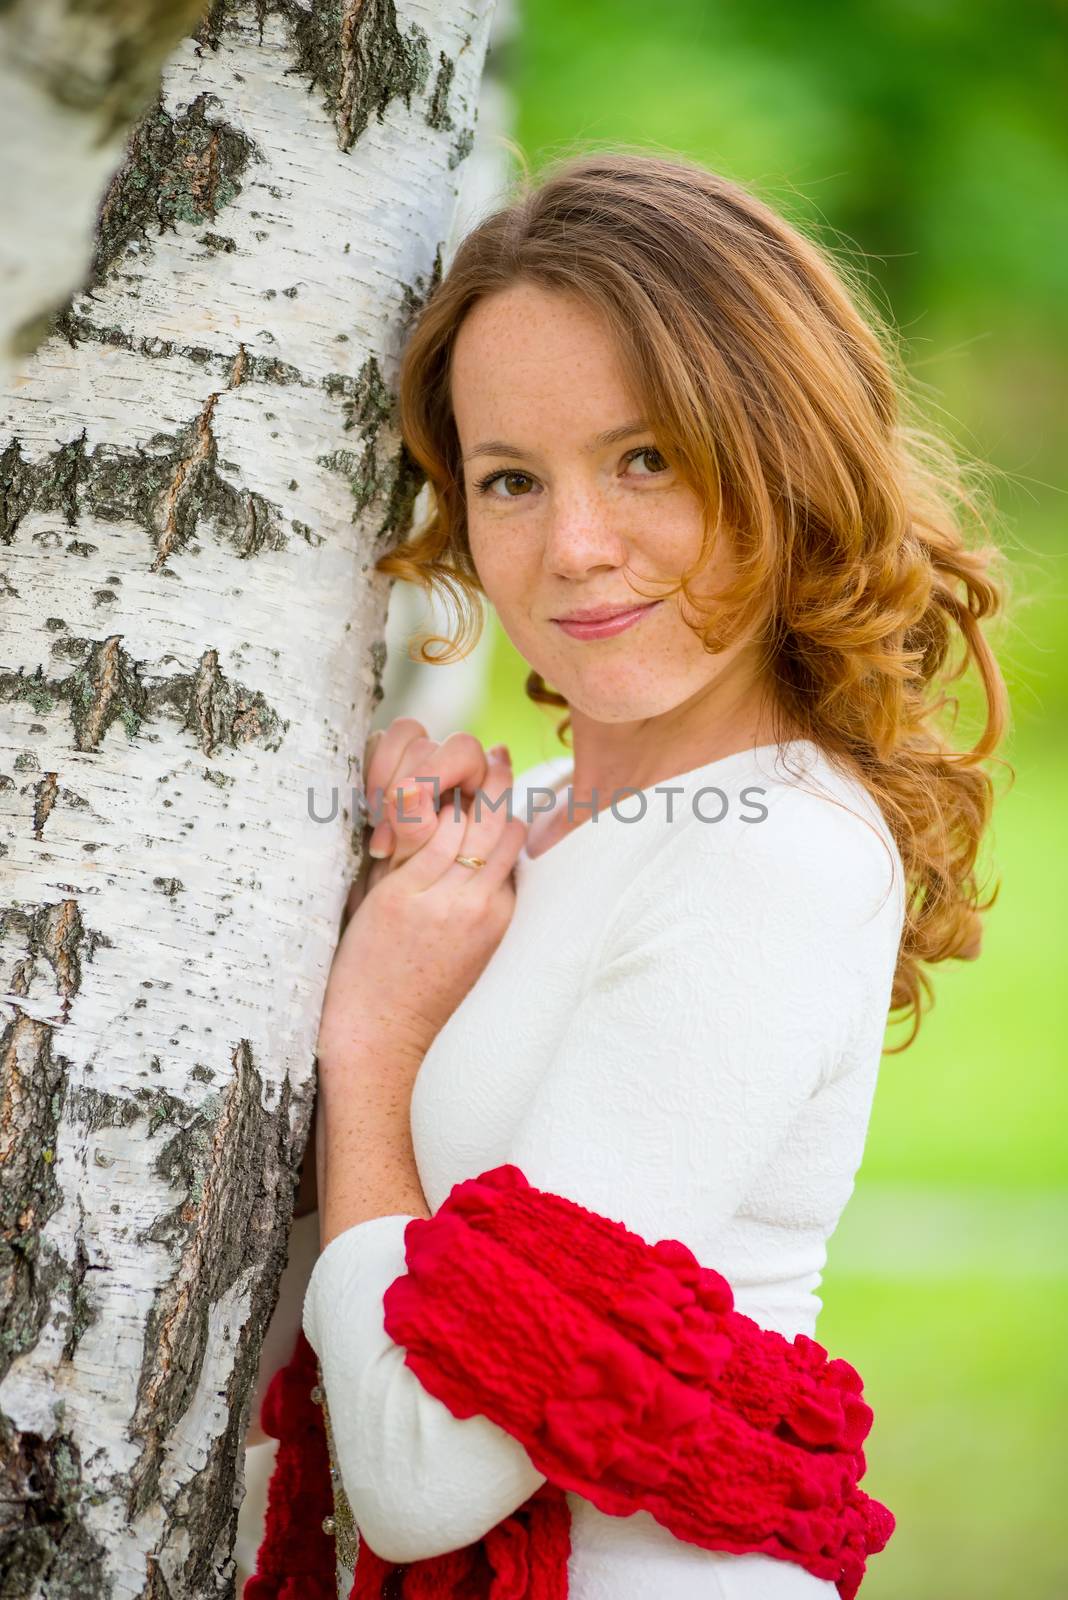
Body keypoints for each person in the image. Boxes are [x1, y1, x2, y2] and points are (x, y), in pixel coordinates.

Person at [250, 150, 1011, 1599]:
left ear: (782, 456)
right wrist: (379, 898)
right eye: (513, 480)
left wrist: (378, 1034)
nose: (577, 549)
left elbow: (422, 1477)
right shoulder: (537, 819)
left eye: (646, 457)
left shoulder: (775, 860)